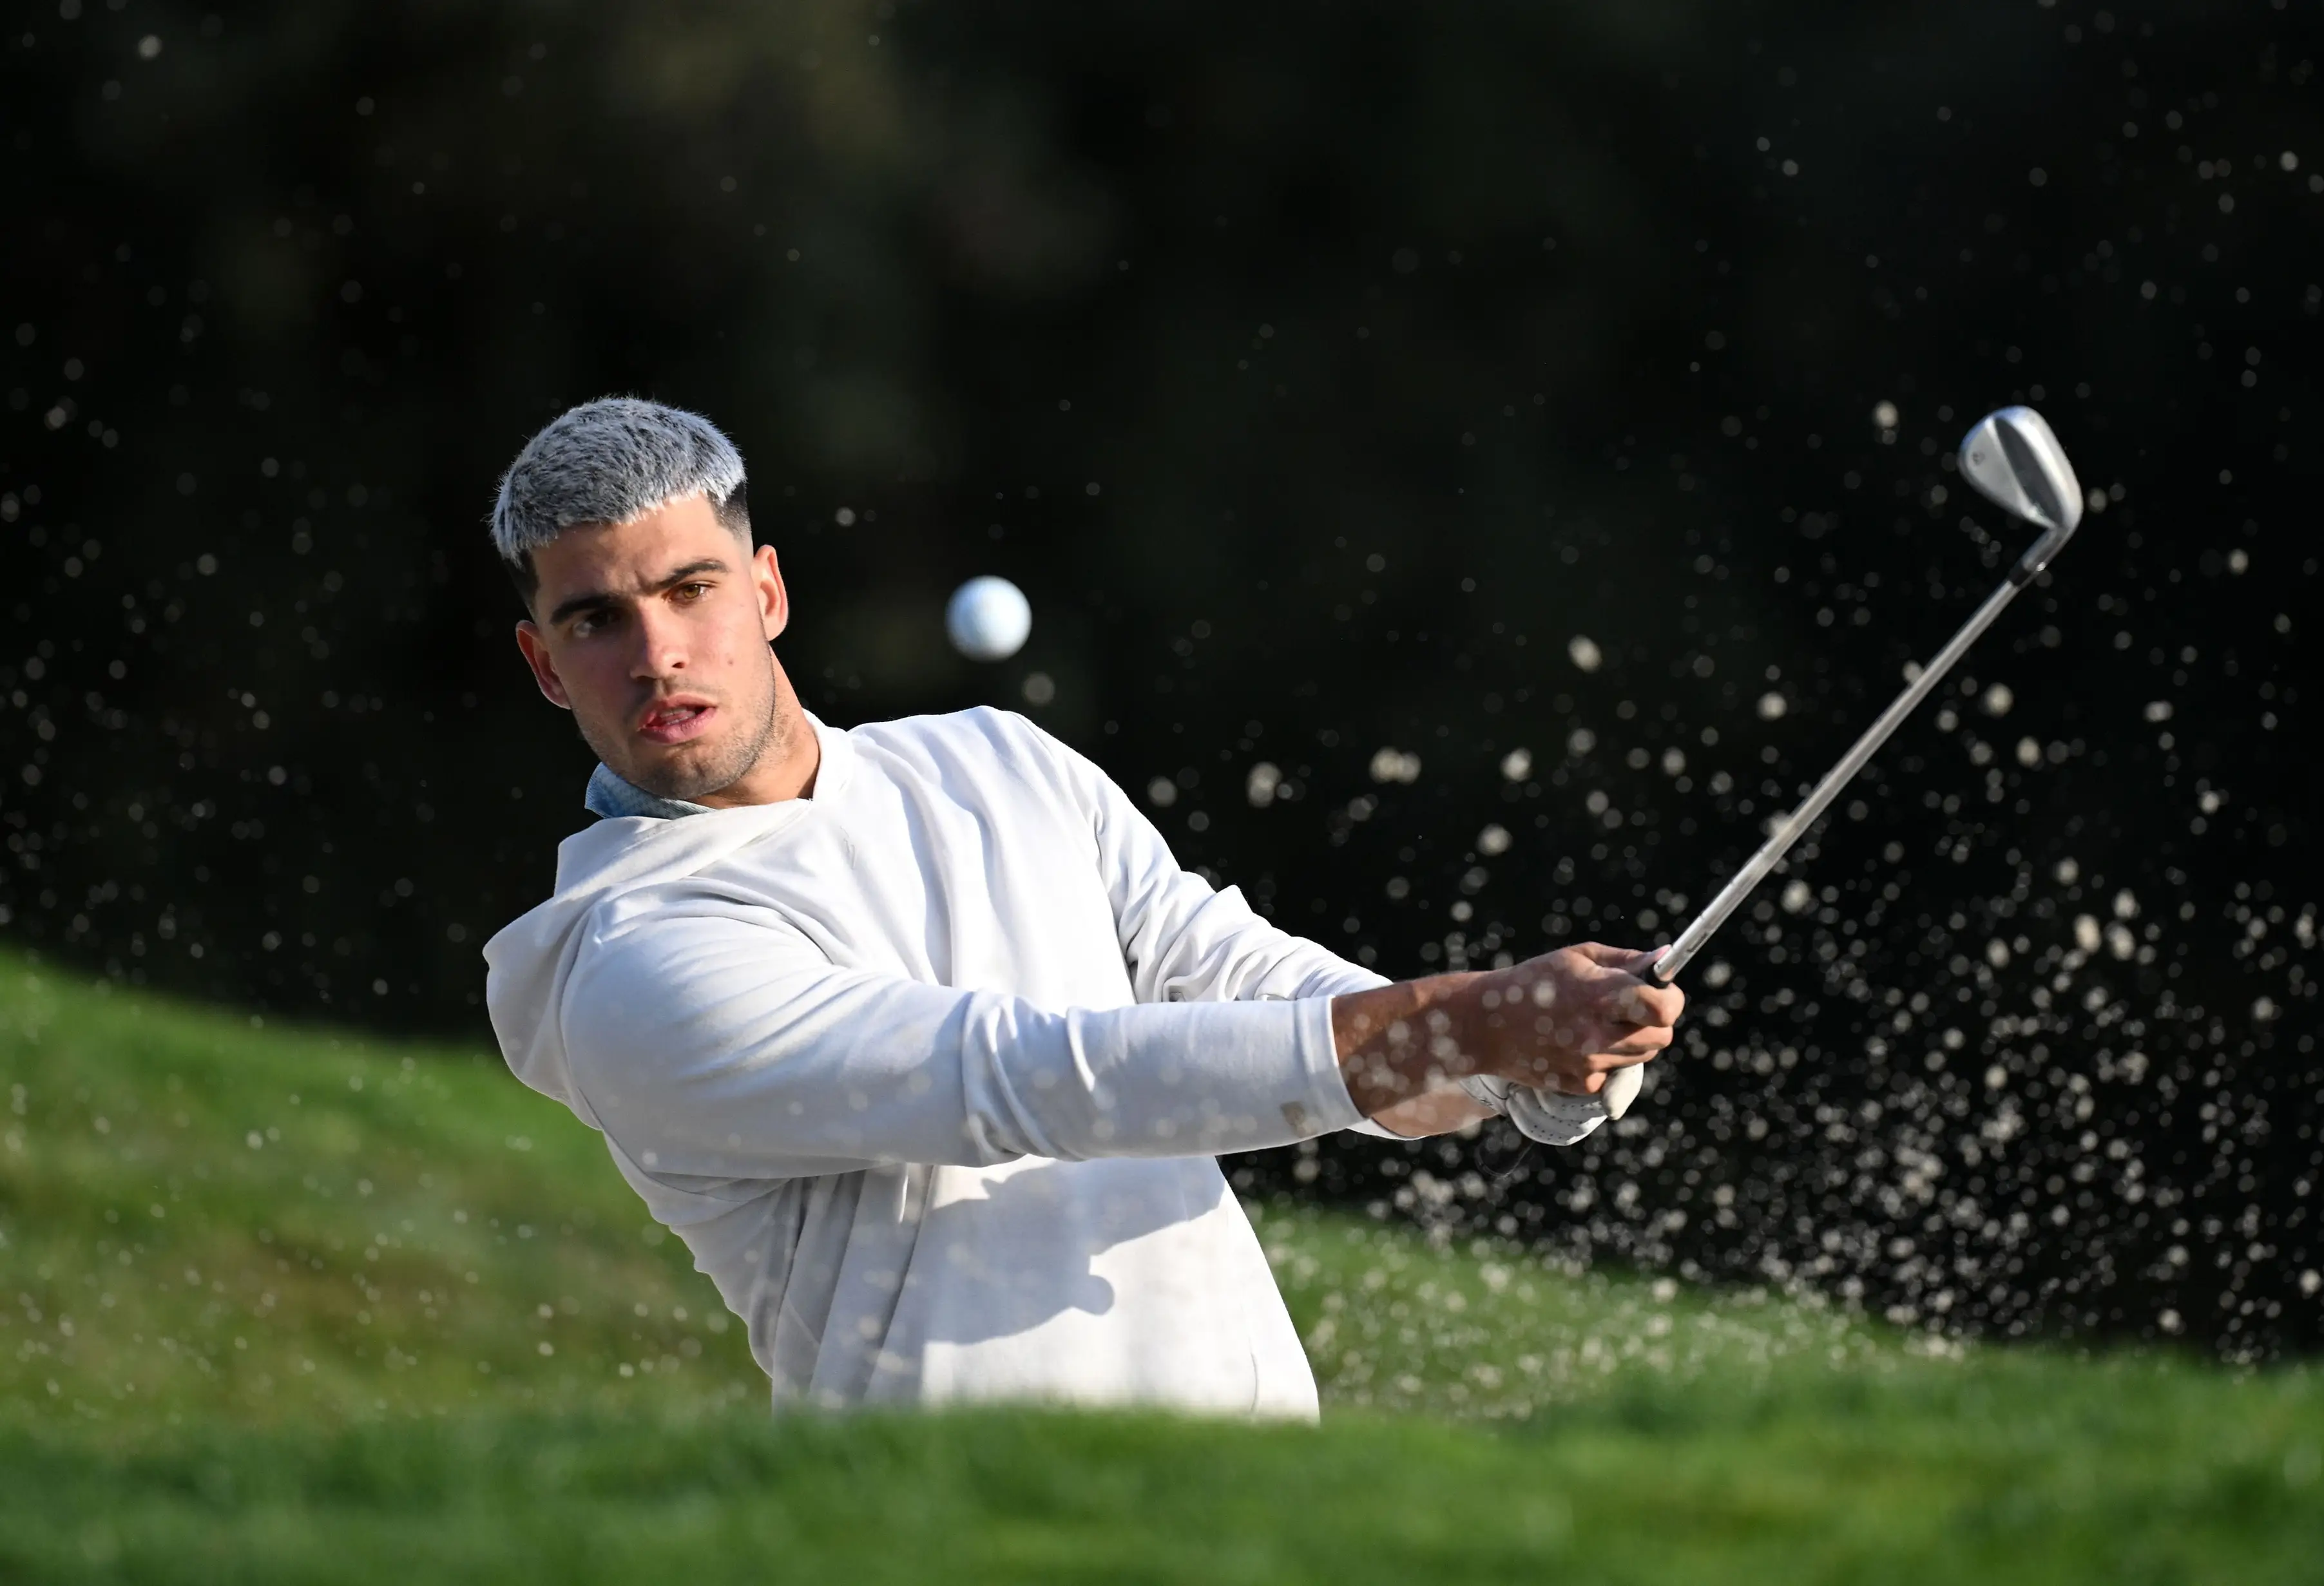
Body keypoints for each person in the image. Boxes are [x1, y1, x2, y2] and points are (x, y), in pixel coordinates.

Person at [483, 397, 1684, 1417]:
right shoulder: (626, 962)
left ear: (768, 593)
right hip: (968, 1526)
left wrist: (1516, 1069)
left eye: (691, 589)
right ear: (544, 666)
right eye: (597, 620)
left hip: (1274, 1487)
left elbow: (1261, 990)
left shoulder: (998, 760)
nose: (658, 653)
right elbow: (1032, 1080)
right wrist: (1471, 1023)